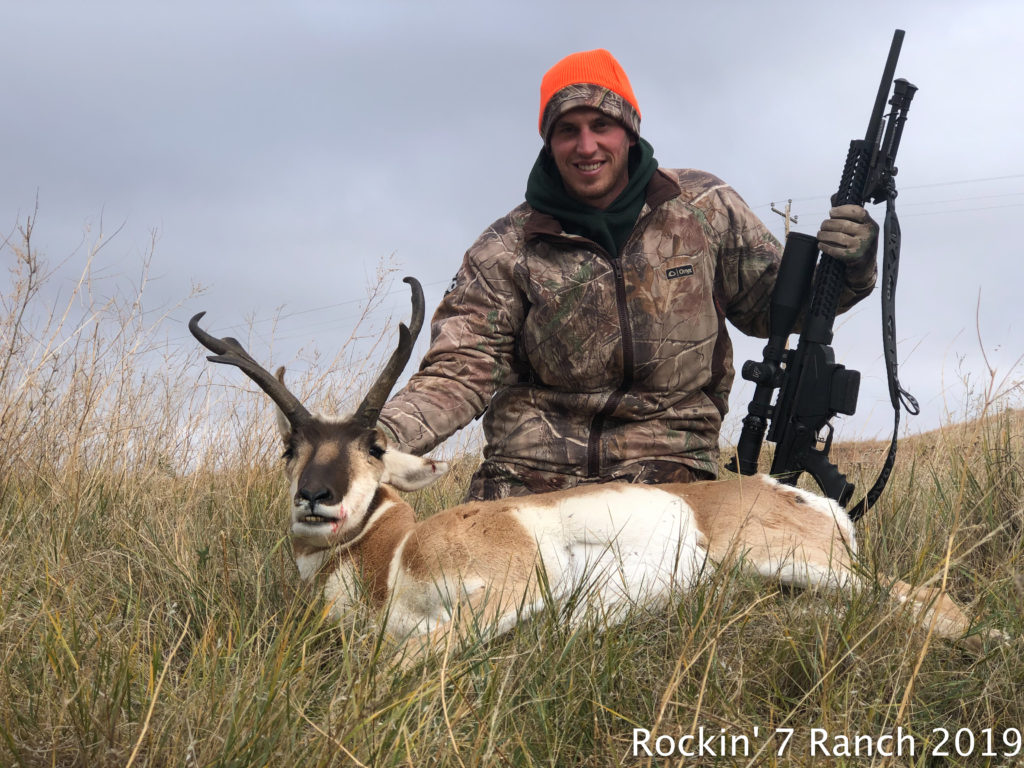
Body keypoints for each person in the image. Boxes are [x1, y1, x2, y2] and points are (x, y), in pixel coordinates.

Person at [377, 49, 878, 501]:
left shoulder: (705, 208)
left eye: (601, 125)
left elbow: (777, 308)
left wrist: (852, 263)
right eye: (567, 130)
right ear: (549, 142)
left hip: (666, 465)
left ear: (630, 130)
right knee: (467, 592)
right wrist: (369, 442)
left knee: (659, 592)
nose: (586, 145)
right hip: (529, 472)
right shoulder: (506, 249)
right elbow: (456, 373)